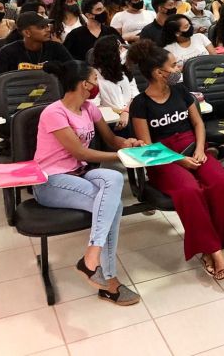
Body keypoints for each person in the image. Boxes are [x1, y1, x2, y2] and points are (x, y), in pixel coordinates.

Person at [127, 40, 224, 279]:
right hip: (165, 158)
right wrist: (180, 160)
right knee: (189, 191)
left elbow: (198, 124)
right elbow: (148, 146)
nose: (178, 68)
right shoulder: (140, 104)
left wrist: (200, 149)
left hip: (193, 147)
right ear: (159, 73)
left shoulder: (181, 92)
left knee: (220, 181)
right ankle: (213, 250)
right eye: (173, 65)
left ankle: (218, 241)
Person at [33, 60, 142, 305]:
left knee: (114, 178)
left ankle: (91, 259)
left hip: (80, 173)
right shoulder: (54, 113)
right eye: (94, 80)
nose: (97, 84)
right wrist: (123, 156)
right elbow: (81, 152)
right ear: (84, 84)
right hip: (50, 181)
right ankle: (110, 281)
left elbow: (111, 139)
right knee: (114, 206)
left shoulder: (89, 108)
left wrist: (128, 144)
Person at [0, 11, 73, 97]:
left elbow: (75, 74)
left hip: (50, 98)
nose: (48, 29)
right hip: (17, 100)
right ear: (27, 33)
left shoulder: (56, 48)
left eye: (47, 26)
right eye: (42, 27)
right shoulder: (8, 52)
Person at [91, 36, 139, 135]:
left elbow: (135, 95)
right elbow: (94, 106)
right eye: (120, 48)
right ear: (110, 54)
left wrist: (126, 111)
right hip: (110, 121)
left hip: (131, 113)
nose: (124, 50)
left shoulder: (125, 70)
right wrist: (118, 115)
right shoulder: (94, 76)